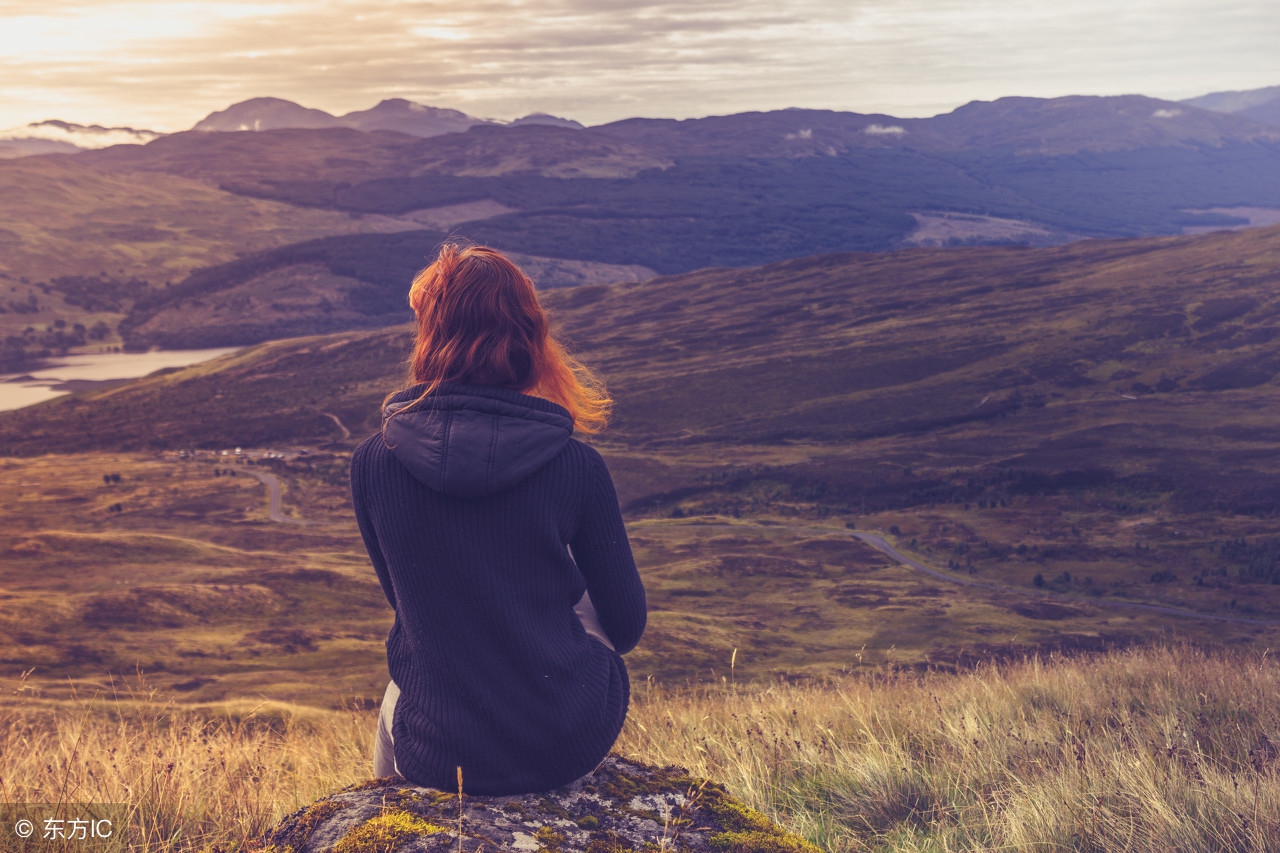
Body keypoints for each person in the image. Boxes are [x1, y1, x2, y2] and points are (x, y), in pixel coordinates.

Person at [350, 243, 647, 795]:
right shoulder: (575, 465)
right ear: (531, 337)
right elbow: (625, 627)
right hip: (565, 742)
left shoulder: (373, 461)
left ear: (430, 334)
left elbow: (408, 607)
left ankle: (392, 821)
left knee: (400, 688)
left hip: (438, 758)